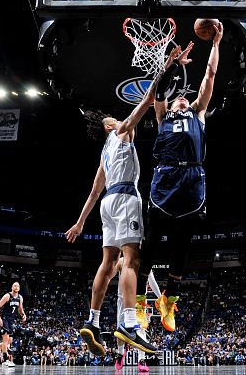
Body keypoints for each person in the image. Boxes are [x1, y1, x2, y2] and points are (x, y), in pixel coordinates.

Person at [64, 66, 169, 356]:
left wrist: (79, 223)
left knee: (107, 264)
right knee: (132, 260)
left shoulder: (103, 156)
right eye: (115, 119)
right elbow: (148, 100)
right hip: (125, 197)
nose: (121, 120)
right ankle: (129, 324)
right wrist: (164, 71)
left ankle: (93, 321)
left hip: (106, 205)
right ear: (112, 126)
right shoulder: (122, 132)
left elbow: (94, 193)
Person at [136, 21, 223, 333]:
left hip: (191, 180)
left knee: (182, 248)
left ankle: (168, 303)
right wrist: (170, 62)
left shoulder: (198, 114)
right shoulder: (163, 117)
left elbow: (209, 76)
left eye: (187, 98)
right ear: (173, 104)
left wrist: (215, 44)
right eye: (179, 98)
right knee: (150, 246)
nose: (184, 98)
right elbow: (158, 91)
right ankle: (141, 303)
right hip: (165, 179)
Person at [112, 256, 162, 373]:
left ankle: (142, 360)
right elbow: (108, 275)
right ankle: (120, 353)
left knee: (141, 330)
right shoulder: (122, 260)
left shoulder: (144, 261)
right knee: (121, 331)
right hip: (123, 300)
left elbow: (152, 281)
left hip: (139, 301)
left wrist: (161, 299)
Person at [0, 281, 26, 367]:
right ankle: (5, 360)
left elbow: (20, 309)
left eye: (18, 286)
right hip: (4, 319)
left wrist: (23, 315)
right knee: (5, 339)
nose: (16, 287)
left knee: (9, 340)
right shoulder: (8, 296)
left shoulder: (20, 297)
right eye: (15, 285)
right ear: (12, 287)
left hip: (11, 320)